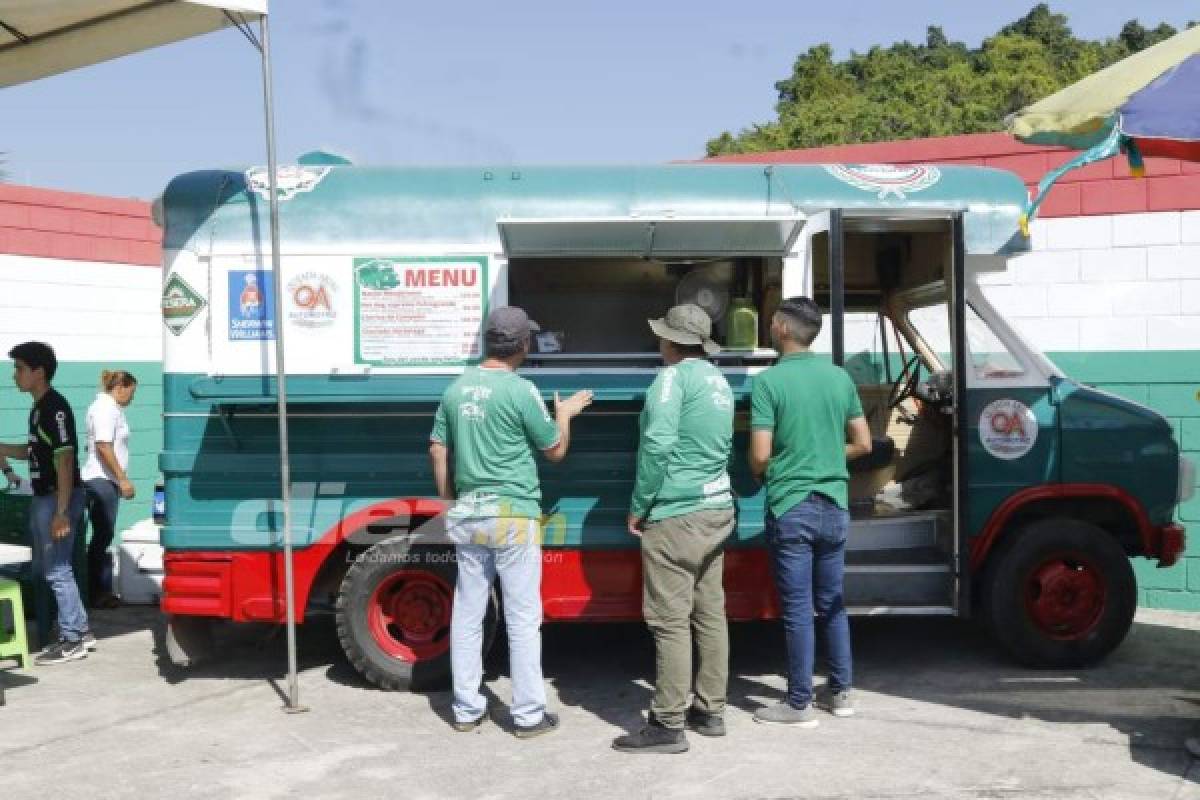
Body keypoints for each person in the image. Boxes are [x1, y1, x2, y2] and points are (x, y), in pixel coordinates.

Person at [429, 306, 593, 738]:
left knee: (468, 613)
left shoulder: (456, 390)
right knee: (522, 617)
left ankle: (466, 709)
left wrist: (449, 502)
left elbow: (436, 449)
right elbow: (554, 450)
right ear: (522, 345)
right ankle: (527, 716)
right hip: (513, 516)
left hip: (469, 514)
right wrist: (566, 414)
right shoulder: (523, 391)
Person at [612, 304, 736, 755]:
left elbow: (659, 444)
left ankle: (667, 724)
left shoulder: (671, 379)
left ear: (669, 342)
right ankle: (712, 710)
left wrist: (639, 505)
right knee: (709, 614)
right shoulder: (718, 381)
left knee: (669, 622)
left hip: (677, 514)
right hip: (717, 508)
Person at [748, 297, 872, 726]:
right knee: (833, 603)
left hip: (792, 504)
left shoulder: (769, 383)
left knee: (798, 609)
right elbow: (864, 443)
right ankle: (841, 693)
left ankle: (798, 703)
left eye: (771, 321)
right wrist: (822, 455)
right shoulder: (840, 378)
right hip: (835, 504)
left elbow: (761, 456)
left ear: (782, 327)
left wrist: (783, 463)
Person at [0, 342, 92, 664]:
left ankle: (72, 639)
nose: (15, 375)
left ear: (38, 372)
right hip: (49, 498)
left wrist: (61, 511)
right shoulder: (39, 408)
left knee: (57, 570)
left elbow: (64, 460)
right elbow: (34, 452)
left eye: (20, 369)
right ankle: (80, 629)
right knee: (55, 568)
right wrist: (3, 448)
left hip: (57, 498)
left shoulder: (54, 408)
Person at [82, 370, 138, 608]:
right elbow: (103, 446)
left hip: (104, 480)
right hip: (102, 480)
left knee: (102, 536)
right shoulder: (106, 409)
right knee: (102, 536)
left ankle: (99, 590)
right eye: (131, 392)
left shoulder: (110, 408)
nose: (132, 398)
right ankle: (96, 591)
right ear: (120, 387)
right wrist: (122, 478)